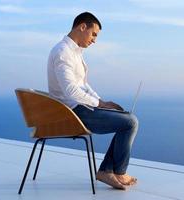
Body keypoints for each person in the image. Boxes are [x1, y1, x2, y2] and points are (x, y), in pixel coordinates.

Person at [47, 12, 139, 190]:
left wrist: (102, 101)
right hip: (72, 113)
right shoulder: (63, 52)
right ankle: (114, 171)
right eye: (94, 34)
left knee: (126, 118)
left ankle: (108, 170)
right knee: (130, 122)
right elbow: (71, 91)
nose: (94, 40)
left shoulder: (74, 52)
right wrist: (99, 105)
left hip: (79, 108)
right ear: (82, 27)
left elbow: (83, 84)